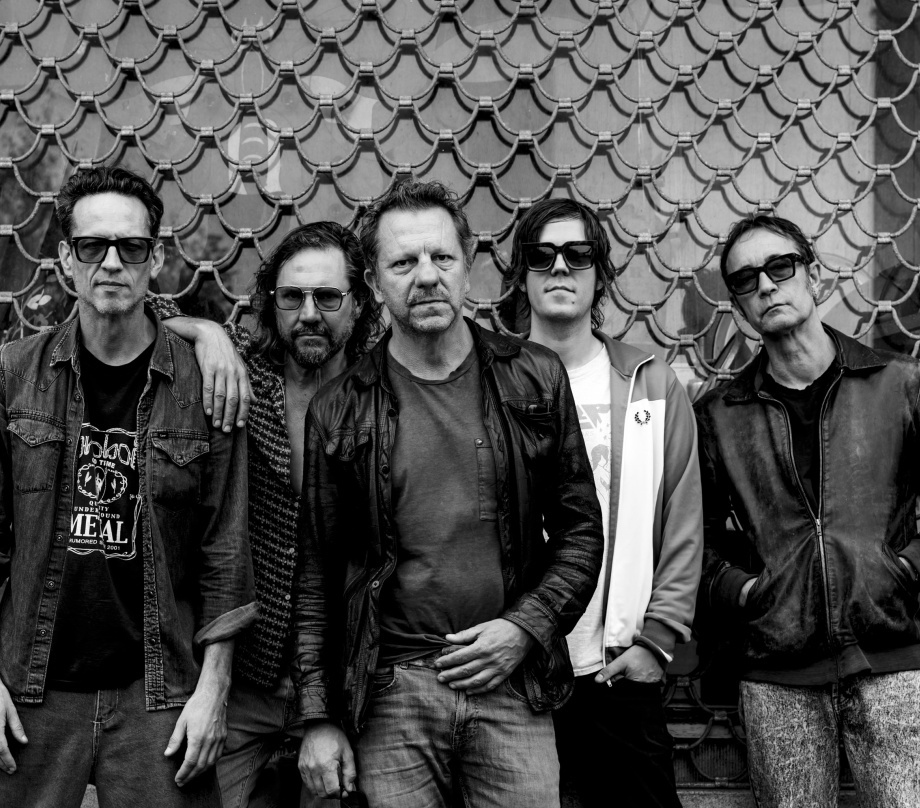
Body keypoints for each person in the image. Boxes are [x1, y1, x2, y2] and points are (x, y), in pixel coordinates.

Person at [291, 178, 604, 808]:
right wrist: (318, 716)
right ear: (374, 283)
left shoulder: (534, 376)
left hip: (511, 683)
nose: (427, 276)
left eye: (441, 257)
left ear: (469, 266)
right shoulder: (339, 407)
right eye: (403, 263)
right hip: (392, 692)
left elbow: (581, 533)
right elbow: (317, 572)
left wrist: (524, 629)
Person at [0, 166, 257, 807]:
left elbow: (224, 549)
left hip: (159, 696)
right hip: (30, 691)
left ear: (156, 259)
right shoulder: (14, 375)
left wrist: (214, 689)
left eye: (131, 246)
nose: (112, 262)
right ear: (66, 259)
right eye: (93, 245)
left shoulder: (203, 385)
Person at [151, 222, 384, 807]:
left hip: (347, 687)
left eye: (327, 297)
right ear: (270, 301)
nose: (308, 313)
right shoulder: (244, 372)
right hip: (241, 678)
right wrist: (206, 331)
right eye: (291, 296)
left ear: (359, 303)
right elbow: (141, 308)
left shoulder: (384, 392)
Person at [694, 214, 920, 808]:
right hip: (778, 672)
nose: (766, 285)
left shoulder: (899, 384)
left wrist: (906, 569)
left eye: (780, 267)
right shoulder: (720, 414)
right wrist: (746, 592)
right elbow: (694, 539)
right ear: (738, 307)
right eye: (746, 280)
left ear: (812, 277)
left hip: (893, 658)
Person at [501, 200, 702, 808]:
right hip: (517, 668)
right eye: (541, 255)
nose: (560, 267)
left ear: (600, 272)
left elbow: (683, 522)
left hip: (619, 665)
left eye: (578, 254)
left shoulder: (651, 382)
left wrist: (656, 642)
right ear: (521, 275)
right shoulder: (490, 382)